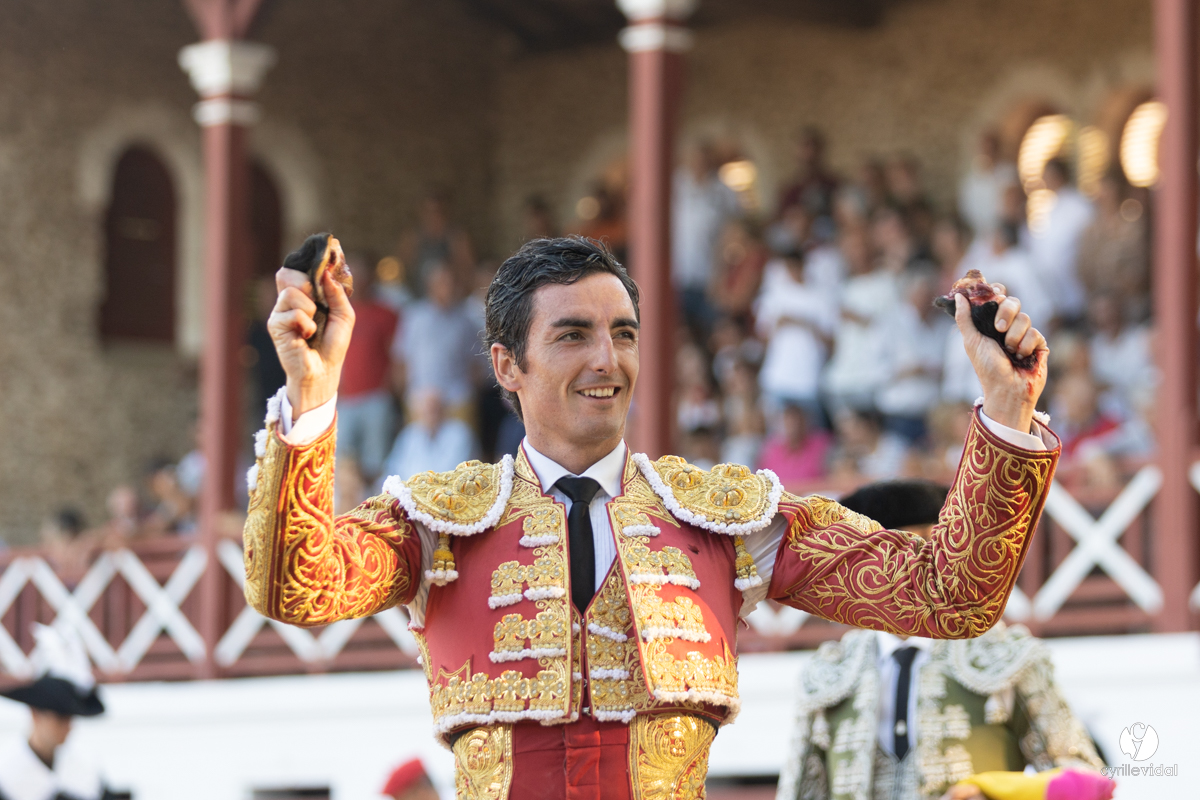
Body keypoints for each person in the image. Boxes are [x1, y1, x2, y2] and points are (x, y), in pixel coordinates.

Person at [247, 235, 1057, 798]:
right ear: (507, 366)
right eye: (573, 335)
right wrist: (312, 397)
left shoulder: (726, 519)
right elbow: (295, 584)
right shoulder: (438, 523)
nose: (608, 360)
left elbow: (949, 594)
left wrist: (1007, 408)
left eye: (623, 334)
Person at [776, 481, 1112, 800]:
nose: (918, 567)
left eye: (930, 549)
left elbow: (1086, 781)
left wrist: (993, 791)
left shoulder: (1007, 658)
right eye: (898, 552)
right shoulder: (828, 673)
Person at [0, 625, 116, 800]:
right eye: (60, 718)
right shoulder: (8, 773)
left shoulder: (84, 769)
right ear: (35, 714)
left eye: (70, 719)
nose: (68, 727)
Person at [335, 253, 400, 484]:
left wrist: (387, 389)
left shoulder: (386, 314)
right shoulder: (337, 313)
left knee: (376, 463)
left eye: (362, 273)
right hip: (346, 399)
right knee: (342, 461)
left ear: (372, 276)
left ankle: (375, 505)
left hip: (376, 399)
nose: (357, 279)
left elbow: (397, 357)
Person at [391, 262, 482, 422]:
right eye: (442, 283)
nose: (448, 287)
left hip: (457, 399)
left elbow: (477, 363)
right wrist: (401, 391)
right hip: (420, 399)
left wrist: (469, 388)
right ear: (430, 285)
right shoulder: (415, 317)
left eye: (451, 283)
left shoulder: (466, 321)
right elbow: (401, 357)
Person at [672, 141, 741, 342]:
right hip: (677, 277)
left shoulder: (723, 191)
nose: (699, 164)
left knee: (711, 335)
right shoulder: (676, 184)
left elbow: (734, 233)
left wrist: (722, 274)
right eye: (696, 159)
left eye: (704, 159)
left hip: (710, 279)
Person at [1029, 159, 1094, 322]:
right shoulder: (1049, 205)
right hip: (1052, 287)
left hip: (1075, 279)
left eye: (1049, 175)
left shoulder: (1079, 205)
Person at [382, 389, 475, 484]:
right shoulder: (409, 434)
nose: (429, 411)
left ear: (443, 408)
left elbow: (455, 472)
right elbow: (392, 468)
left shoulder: (460, 433)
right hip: (408, 489)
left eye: (434, 408)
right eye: (425, 408)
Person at [957, 130, 1018, 238]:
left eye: (990, 148)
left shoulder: (1008, 172)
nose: (987, 152)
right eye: (984, 149)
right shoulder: (971, 180)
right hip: (979, 234)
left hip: (1006, 233)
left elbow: (1011, 205)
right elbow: (965, 210)